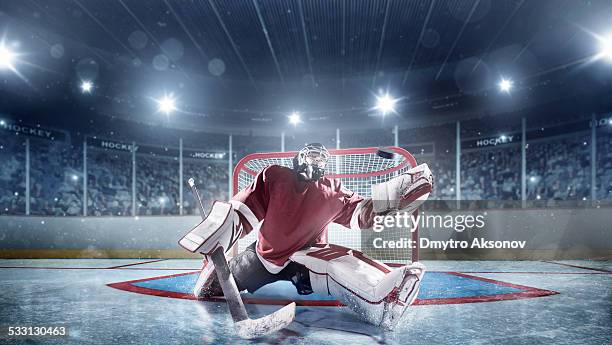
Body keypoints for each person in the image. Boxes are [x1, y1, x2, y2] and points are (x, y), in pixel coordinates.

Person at [180, 143, 433, 330]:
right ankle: (210, 273)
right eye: (313, 155)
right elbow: (244, 211)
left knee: (336, 260)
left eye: (322, 158)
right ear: (300, 157)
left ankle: (382, 300)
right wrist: (219, 235)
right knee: (212, 287)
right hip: (263, 257)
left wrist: (389, 198)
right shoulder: (275, 176)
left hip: (306, 257)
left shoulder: (332, 190)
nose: (318, 161)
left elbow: (361, 214)